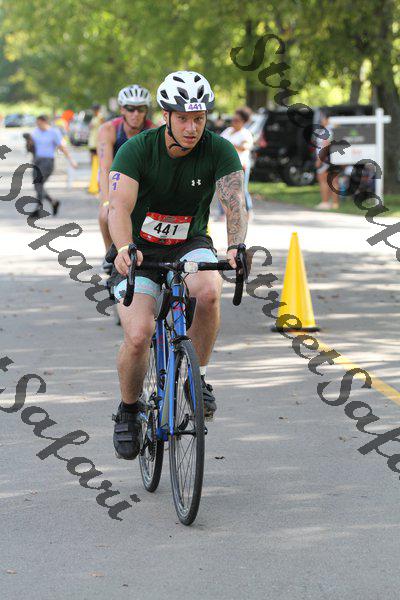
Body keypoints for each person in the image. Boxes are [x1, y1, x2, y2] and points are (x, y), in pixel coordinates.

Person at [107, 70, 247, 460]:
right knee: (139, 334)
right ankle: (128, 410)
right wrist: (123, 247)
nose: (191, 128)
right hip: (140, 250)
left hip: (190, 243)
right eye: (183, 118)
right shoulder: (136, 149)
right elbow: (118, 207)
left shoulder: (219, 149)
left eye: (198, 119)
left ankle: (195, 378)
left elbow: (234, 203)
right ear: (166, 116)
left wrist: (236, 246)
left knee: (208, 292)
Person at [97, 85, 154, 273]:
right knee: (106, 214)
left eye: (141, 109)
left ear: (146, 110)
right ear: (122, 109)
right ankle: (110, 254)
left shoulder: (154, 130)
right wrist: (106, 201)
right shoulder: (109, 129)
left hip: (143, 182)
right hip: (116, 180)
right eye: (130, 109)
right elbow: (105, 168)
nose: (135, 114)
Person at [30, 115, 77, 218]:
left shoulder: (53, 132)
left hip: (47, 162)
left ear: (44, 122)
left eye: (39, 123)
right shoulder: (35, 132)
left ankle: (39, 208)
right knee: (37, 184)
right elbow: (31, 146)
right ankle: (53, 202)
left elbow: (62, 147)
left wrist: (71, 160)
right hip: (37, 160)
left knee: (38, 183)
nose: (38, 125)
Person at [220, 107, 254, 220]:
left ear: (243, 122)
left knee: (242, 190)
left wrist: (230, 145)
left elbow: (245, 147)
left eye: (237, 120)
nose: (234, 122)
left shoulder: (245, 133)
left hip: (240, 165)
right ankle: (224, 213)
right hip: (225, 165)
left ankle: (248, 211)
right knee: (223, 189)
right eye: (233, 120)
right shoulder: (228, 131)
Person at [314, 112, 339, 210]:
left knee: (323, 181)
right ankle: (335, 204)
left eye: (323, 118)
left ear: (328, 119)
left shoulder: (326, 131)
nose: (321, 120)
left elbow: (325, 146)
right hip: (334, 158)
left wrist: (319, 160)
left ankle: (325, 202)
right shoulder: (334, 130)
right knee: (334, 181)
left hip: (325, 160)